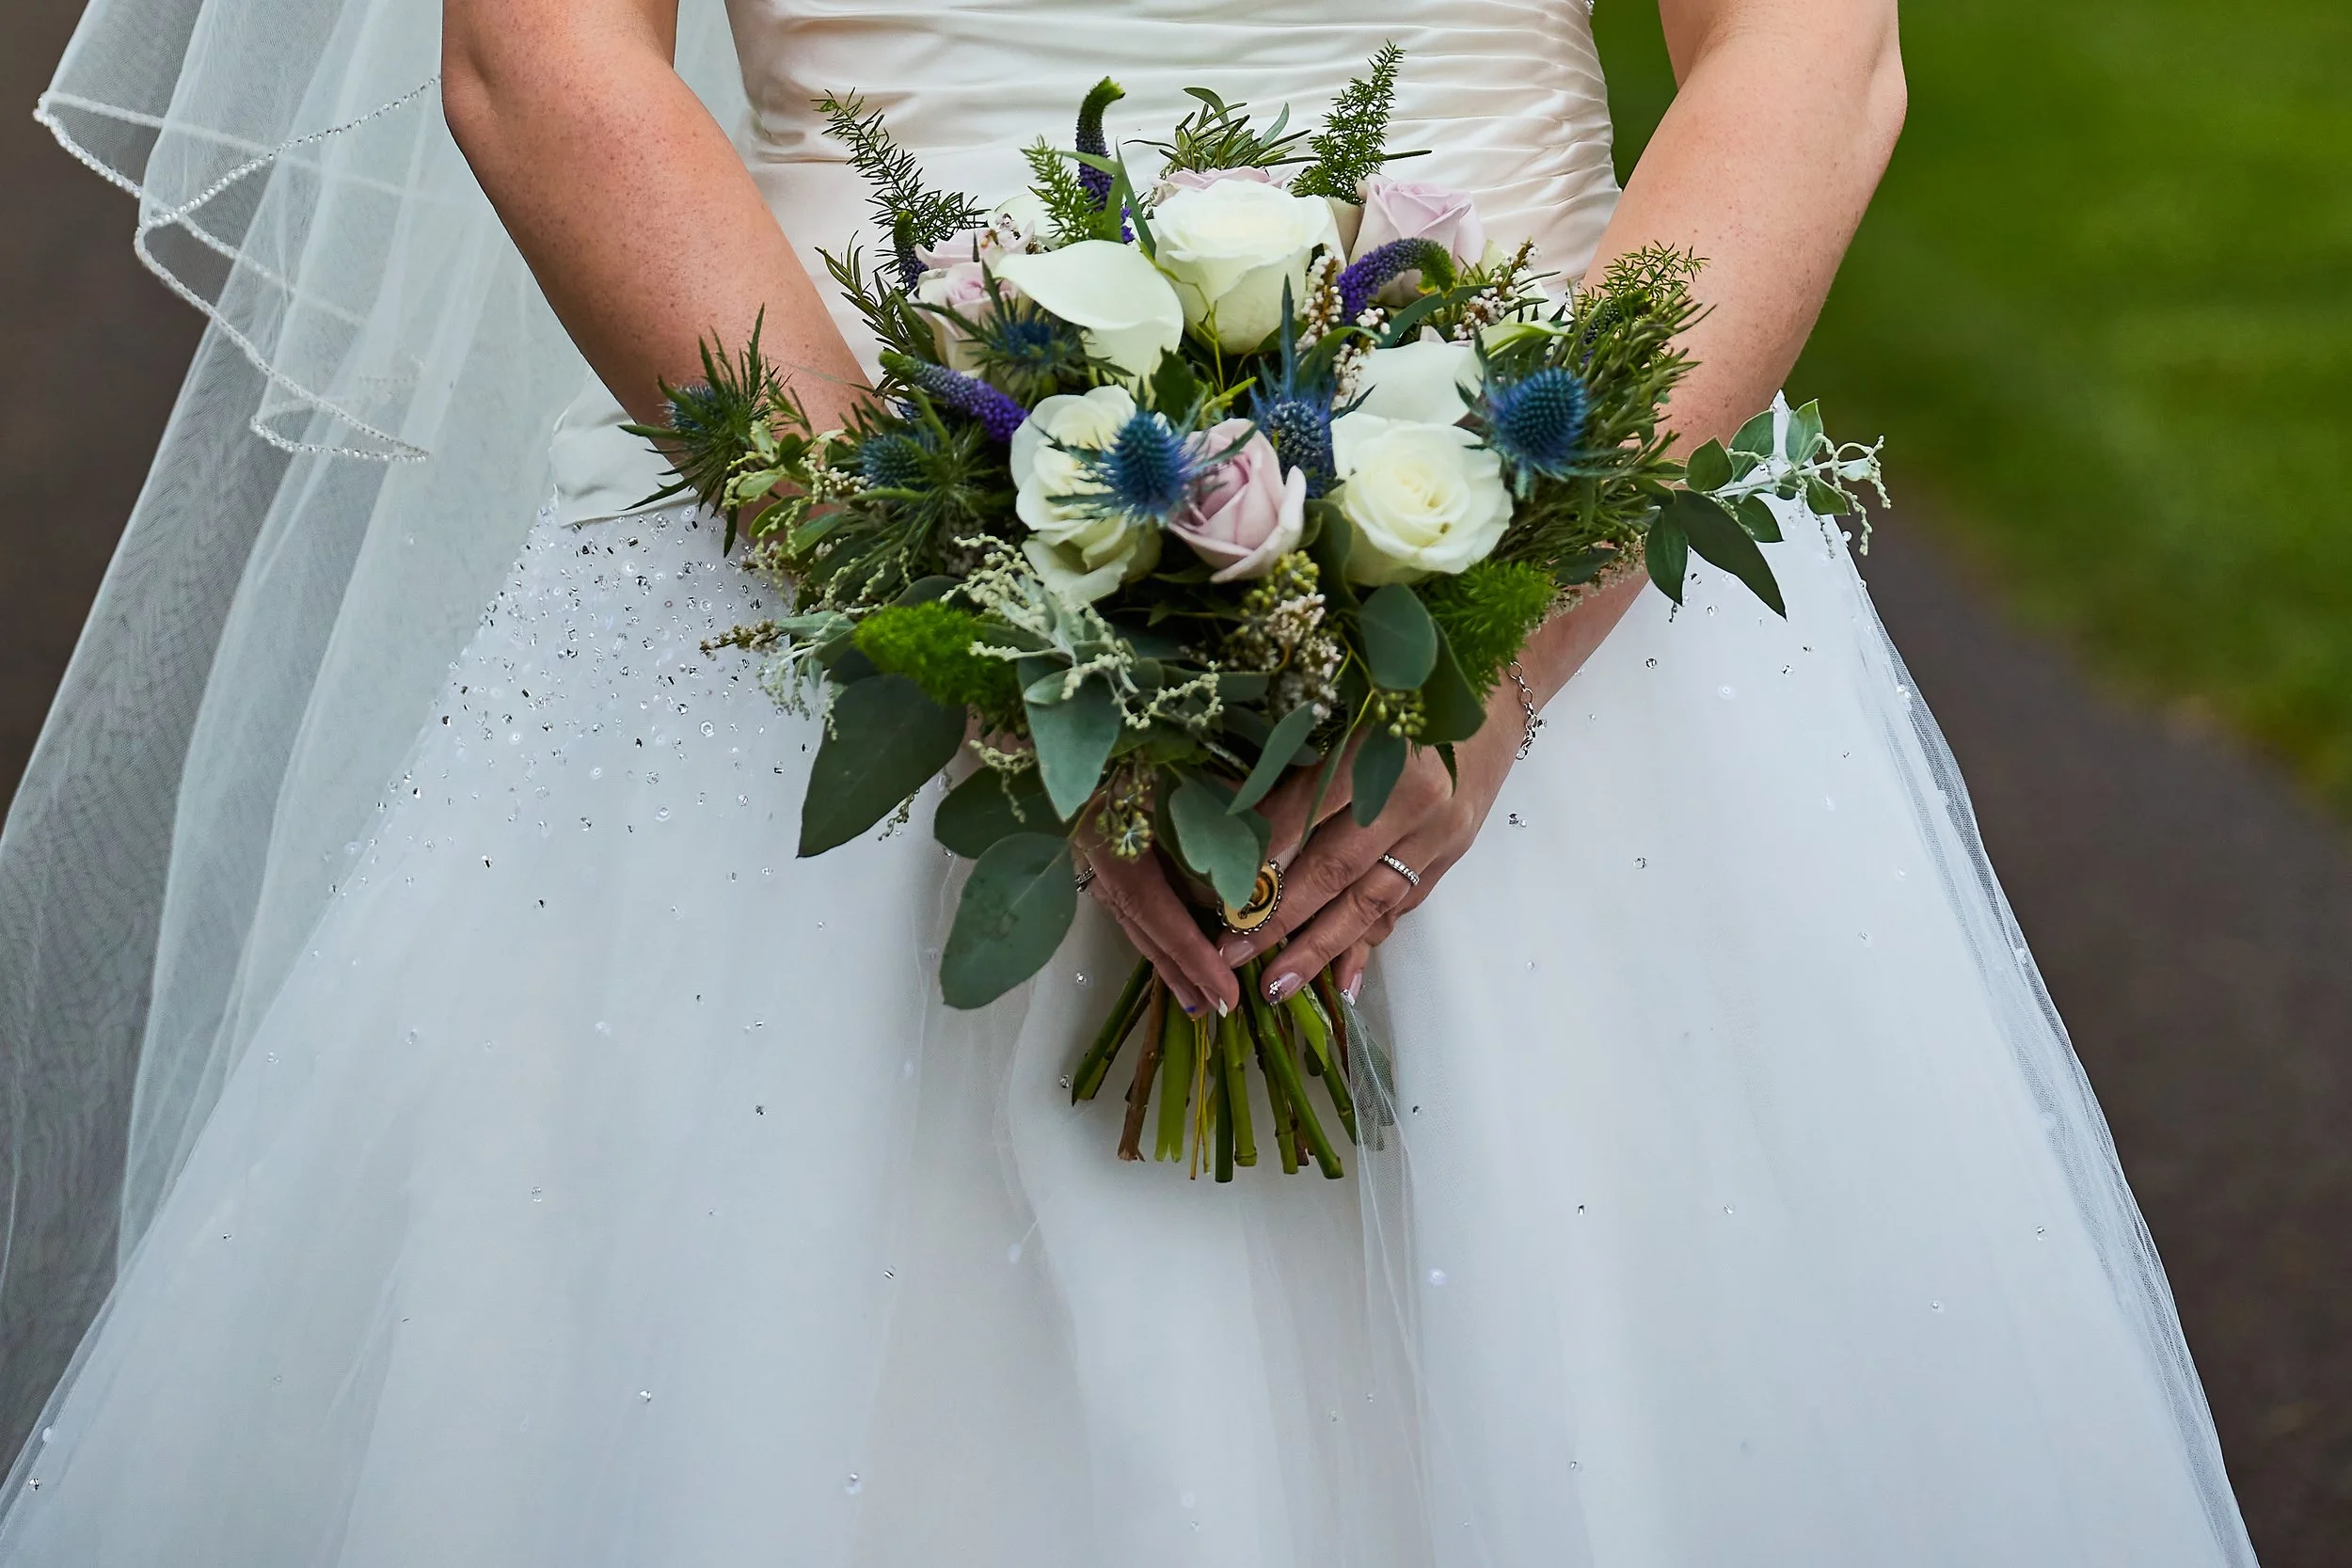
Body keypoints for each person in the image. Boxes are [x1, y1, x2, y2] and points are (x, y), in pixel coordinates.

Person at [0, 0, 2255, 1561]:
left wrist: (1502, 645)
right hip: (833, 546)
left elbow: (1805, 54)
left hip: (1536, 537)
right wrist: (955, 626)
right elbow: (532, 62)